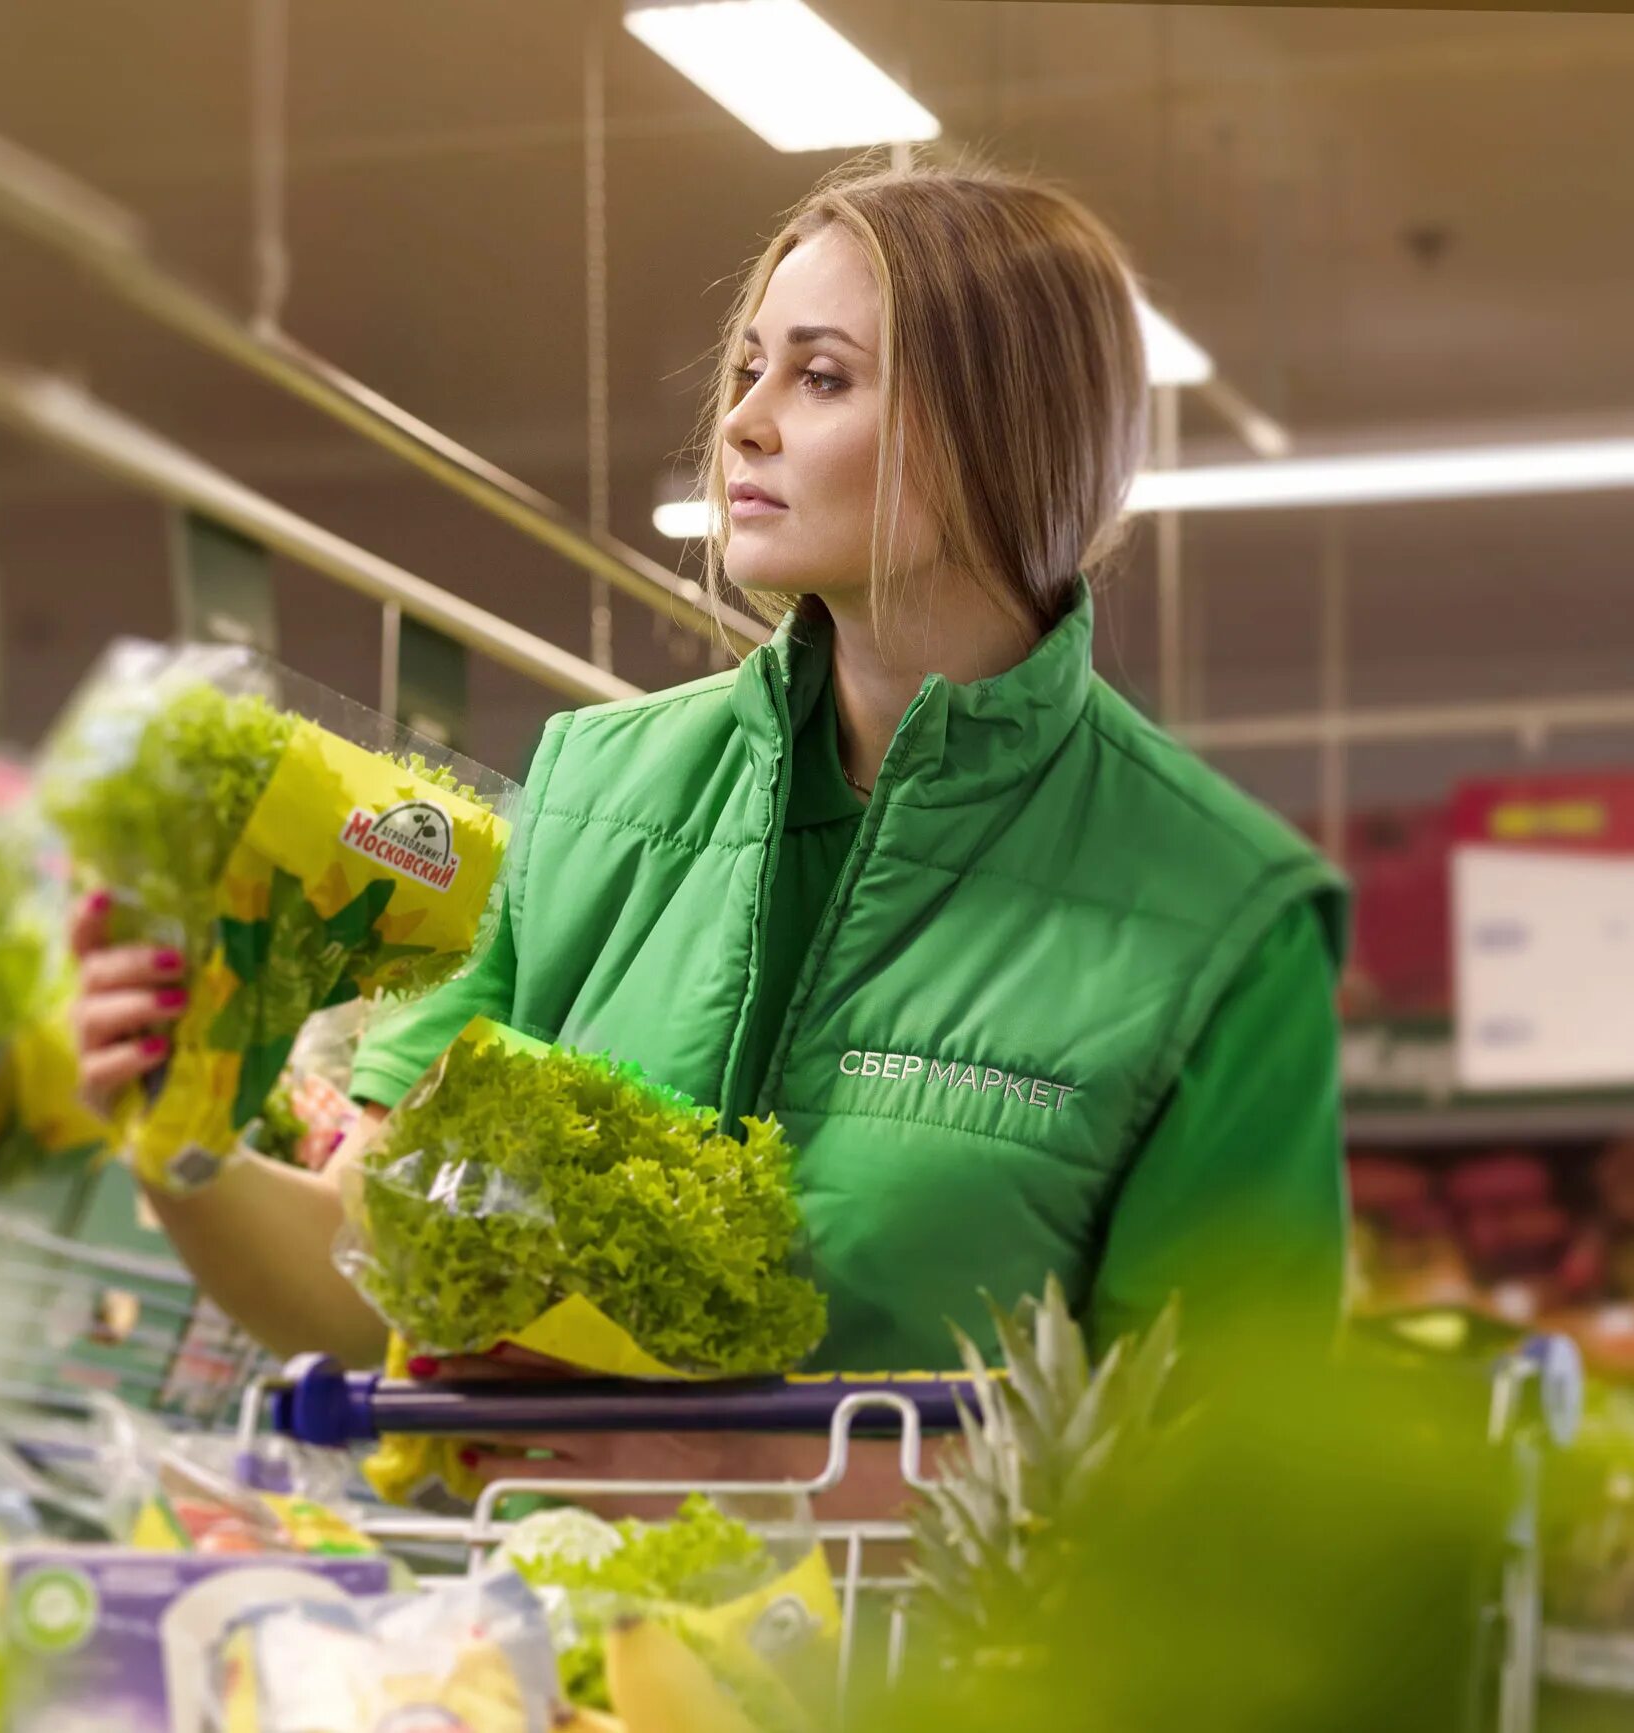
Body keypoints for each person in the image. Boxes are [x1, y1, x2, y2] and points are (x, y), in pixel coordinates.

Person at [68, 160, 1349, 1487]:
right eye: (749, 370)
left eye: (823, 376)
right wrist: (181, 1138)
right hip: (559, 1671)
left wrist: (725, 1469)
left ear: (1003, 430)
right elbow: (367, 1271)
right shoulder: (588, 793)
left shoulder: (1225, 917)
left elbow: (1219, 1485)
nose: (743, 421)